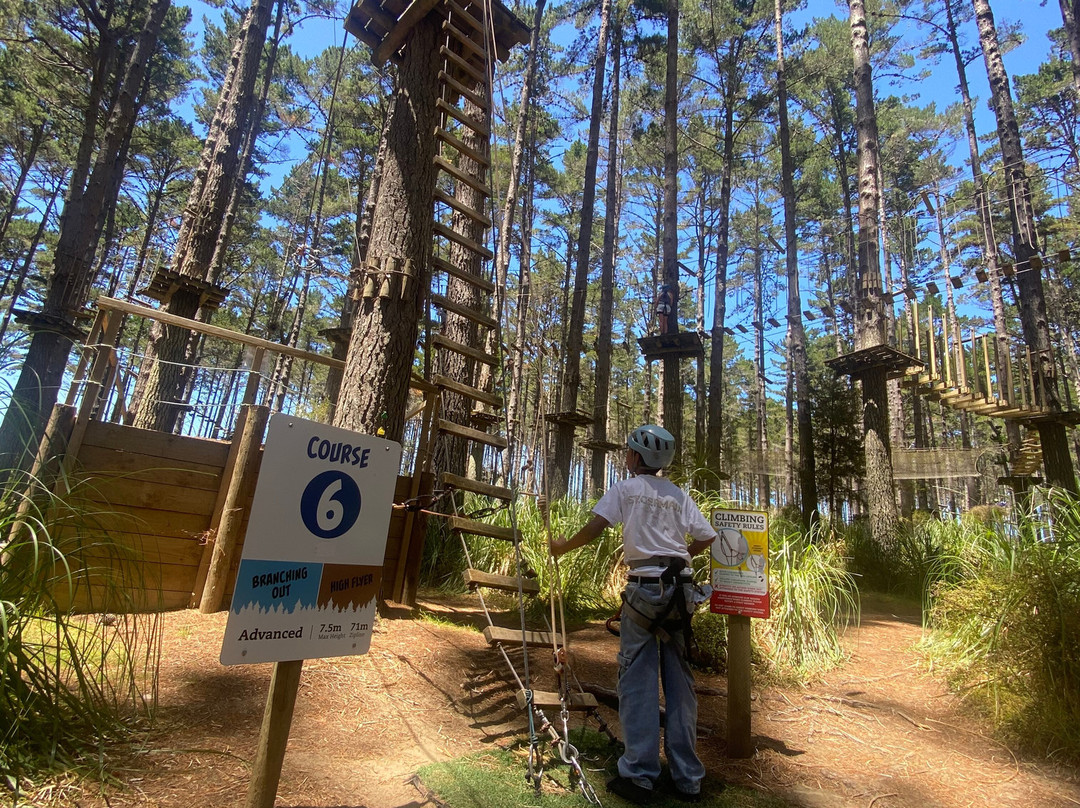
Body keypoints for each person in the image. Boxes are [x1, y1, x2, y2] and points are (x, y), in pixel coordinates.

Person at [549, 425, 717, 805]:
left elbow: (595, 527)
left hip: (646, 590)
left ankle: (639, 775)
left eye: (628, 452)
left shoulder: (626, 490)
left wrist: (562, 547)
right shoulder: (678, 495)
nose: (626, 456)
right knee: (680, 683)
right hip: (681, 591)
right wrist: (681, 554)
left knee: (638, 682)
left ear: (636, 458)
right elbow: (707, 537)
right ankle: (687, 779)